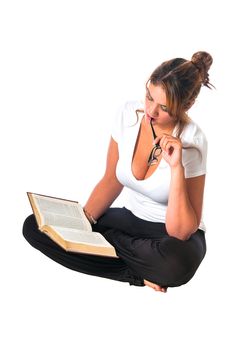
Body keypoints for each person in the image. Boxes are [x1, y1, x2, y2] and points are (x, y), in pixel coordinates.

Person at [23, 51, 213, 293]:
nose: (151, 111)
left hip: (169, 237)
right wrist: (82, 224)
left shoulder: (193, 142)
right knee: (35, 227)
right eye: (149, 97)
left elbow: (181, 231)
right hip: (130, 222)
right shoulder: (127, 115)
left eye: (164, 107)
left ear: (186, 106)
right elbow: (112, 180)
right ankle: (135, 273)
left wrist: (176, 167)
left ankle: (115, 251)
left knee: (175, 266)